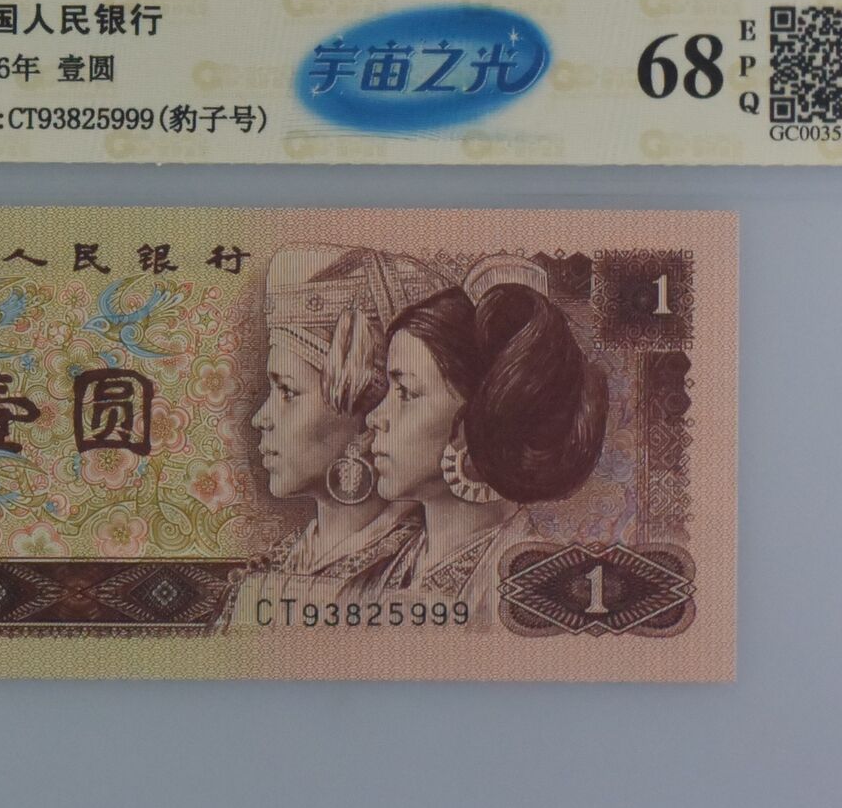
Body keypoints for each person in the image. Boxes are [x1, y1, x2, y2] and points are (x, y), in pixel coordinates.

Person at [366, 255, 608, 625]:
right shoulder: (375, 576)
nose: (374, 418)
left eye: (407, 393)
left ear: (478, 418)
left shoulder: (538, 592)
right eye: (388, 390)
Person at [229, 244, 449, 622]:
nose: (261, 418)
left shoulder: (423, 575)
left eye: (287, 392)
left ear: (366, 415)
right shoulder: (275, 567)